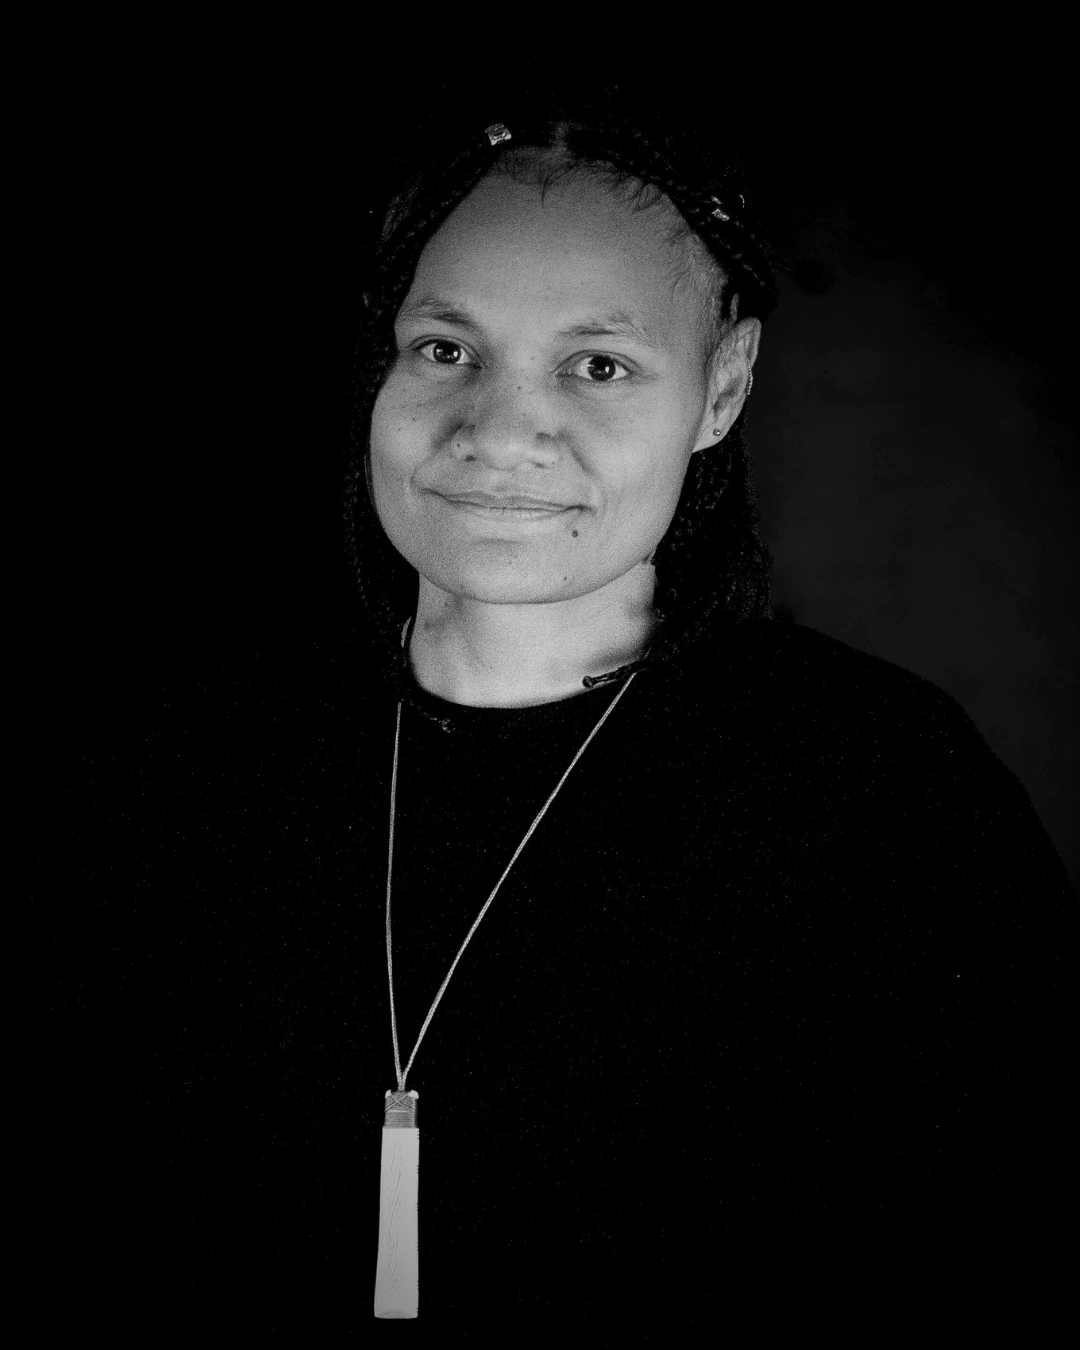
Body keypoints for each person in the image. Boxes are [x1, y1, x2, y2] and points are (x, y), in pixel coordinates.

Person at [31, 96, 1072, 1337]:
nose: (501, 432)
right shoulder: (173, 761)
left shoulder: (883, 793)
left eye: (600, 365)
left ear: (723, 389)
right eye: (446, 349)